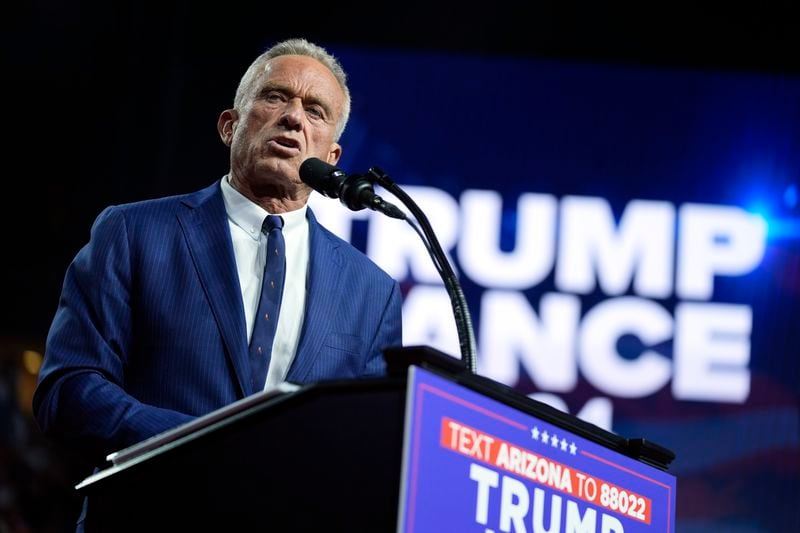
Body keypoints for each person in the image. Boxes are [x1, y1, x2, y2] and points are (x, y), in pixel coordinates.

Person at [32, 37, 403, 490]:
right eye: (275, 96)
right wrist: (197, 445)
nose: (293, 117)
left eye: (316, 111)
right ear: (230, 126)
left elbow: (365, 445)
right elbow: (68, 390)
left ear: (332, 157)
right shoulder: (133, 233)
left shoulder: (372, 291)